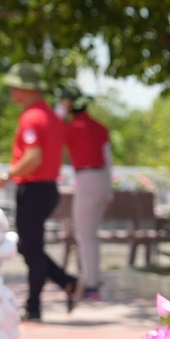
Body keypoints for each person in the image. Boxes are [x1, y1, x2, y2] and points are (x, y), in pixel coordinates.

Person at [0, 63, 81, 321]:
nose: (11, 91)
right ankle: (64, 284)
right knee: (31, 248)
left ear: (26, 89)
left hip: (34, 188)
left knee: (31, 249)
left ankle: (35, 305)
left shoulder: (31, 117)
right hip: (48, 189)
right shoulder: (50, 115)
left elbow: (34, 157)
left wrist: (6, 176)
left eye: (15, 86)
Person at [57, 84, 112, 302]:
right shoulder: (100, 127)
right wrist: (109, 192)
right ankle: (93, 279)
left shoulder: (71, 128)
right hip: (101, 180)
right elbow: (108, 161)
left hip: (87, 180)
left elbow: (52, 136)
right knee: (91, 235)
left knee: (85, 236)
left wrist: (59, 116)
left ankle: (91, 285)